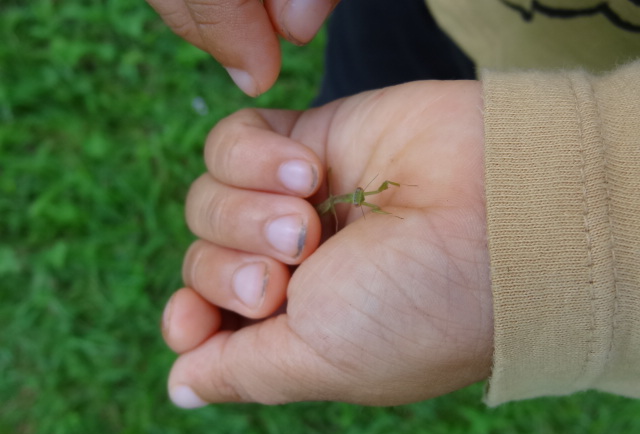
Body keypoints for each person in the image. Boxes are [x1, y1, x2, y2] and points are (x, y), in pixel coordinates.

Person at [147, 0, 640, 408]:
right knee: (344, 140)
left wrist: (581, 202)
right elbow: (347, 195)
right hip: (414, 22)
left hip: (567, 86)